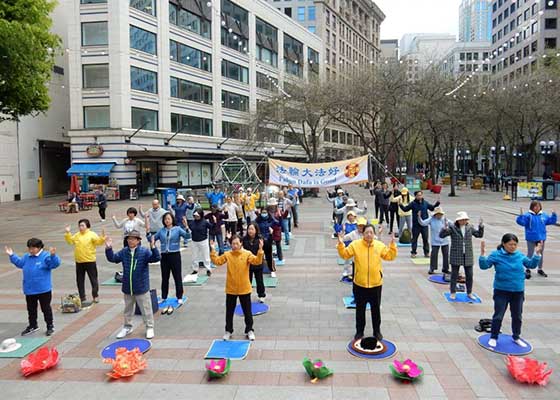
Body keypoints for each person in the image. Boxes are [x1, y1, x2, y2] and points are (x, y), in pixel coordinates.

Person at [479, 234, 542, 349]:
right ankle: (494, 336)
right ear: (503, 244)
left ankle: (516, 337)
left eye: (515, 244)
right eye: (510, 244)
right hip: (501, 291)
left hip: (518, 292)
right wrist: (482, 255)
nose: (513, 247)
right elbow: (484, 266)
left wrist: (537, 254)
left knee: (517, 316)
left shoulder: (519, 256)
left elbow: (531, 265)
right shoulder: (496, 255)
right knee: (498, 315)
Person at [337, 225, 397, 341]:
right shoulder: (355, 245)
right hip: (360, 284)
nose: (369, 234)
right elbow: (345, 254)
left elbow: (389, 256)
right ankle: (359, 332)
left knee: (376, 310)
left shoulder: (379, 246)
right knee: (360, 310)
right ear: (363, 234)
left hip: (376, 284)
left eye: (371, 232)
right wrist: (340, 244)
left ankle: (377, 331)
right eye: (366, 232)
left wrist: (393, 245)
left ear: (374, 234)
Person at [105, 231, 160, 339]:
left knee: (146, 309)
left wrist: (153, 247)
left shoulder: (144, 252)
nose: (130, 241)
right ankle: (127, 327)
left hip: (141, 287)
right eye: (129, 239)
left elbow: (156, 258)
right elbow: (113, 258)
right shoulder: (124, 252)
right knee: (128, 310)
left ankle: (149, 327)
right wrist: (108, 248)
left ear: (138, 240)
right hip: (127, 287)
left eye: (133, 239)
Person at [210, 234, 264, 341]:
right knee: (229, 311)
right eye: (233, 243)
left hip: (244, 288)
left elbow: (257, 261)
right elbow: (217, 261)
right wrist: (212, 250)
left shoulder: (247, 254)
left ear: (241, 244)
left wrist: (260, 250)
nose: (234, 246)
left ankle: (249, 330)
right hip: (231, 289)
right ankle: (228, 330)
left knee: (247, 311)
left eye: (237, 243)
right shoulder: (227, 254)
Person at [6, 238, 61, 336]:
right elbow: (19, 263)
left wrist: (53, 256)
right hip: (29, 289)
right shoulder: (27, 257)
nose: (30, 250)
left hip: (43, 289)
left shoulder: (45, 256)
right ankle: (33, 325)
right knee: (31, 309)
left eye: (32, 248)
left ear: (39, 248)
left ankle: (50, 326)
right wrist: (12, 255)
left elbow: (54, 264)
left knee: (46, 309)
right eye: (29, 248)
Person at [440, 211, 484, 300]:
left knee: (469, 275)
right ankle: (453, 292)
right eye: (462, 220)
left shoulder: (470, 227)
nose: (464, 221)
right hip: (456, 253)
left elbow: (479, 235)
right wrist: (444, 229)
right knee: (454, 275)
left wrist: (481, 226)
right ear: (458, 220)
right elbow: (442, 236)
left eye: (465, 219)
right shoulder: (452, 227)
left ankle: (469, 292)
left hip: (468, 254)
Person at [153, 213, 189, 314]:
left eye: (169, 219)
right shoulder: (161, 231)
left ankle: (179, 297)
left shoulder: (177, 229)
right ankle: (164, 296)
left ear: (172, 219)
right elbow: (152, 238)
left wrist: (186, 226)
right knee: (165, 277)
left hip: (175, 255)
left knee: (177, 277)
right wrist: (148, 232)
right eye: (165, 219)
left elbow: (187, 236)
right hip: (164, 256)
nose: (167, 221)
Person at [64, 219, 106, 304]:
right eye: (79, 225)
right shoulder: (77, 235)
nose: (81, 227)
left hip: (90, 260)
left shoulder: (92, 234)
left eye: (82, 225)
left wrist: (102, 237)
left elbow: (98, 242)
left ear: (87, 226)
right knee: (79, 280)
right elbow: (70, 241)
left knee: (93, 279)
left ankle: (95, 295)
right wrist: (68, 233)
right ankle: (82, 297)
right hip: (79, 261)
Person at [516, 200, 556, 278]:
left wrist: (554, 215)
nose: (537, 208)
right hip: (531, 238)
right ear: (532, 207)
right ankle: (527, 268)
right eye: (535, 206)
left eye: (538, 206)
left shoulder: (543, 215)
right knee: (530, 253)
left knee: (540, 254)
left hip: (541, 238)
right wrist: (520, 216)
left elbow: (551, 221)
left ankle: (540, 268)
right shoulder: (528, 215)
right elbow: (522, 223)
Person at [399, 190, 440, 258]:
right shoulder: (413, 204)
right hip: (416, 225)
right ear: (415, 196)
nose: (420, 196)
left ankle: (426, 252)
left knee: (425, 239)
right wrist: (400, 204)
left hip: (424, 225)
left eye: (421, 195)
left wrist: (437, 203)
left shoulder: (425, 203)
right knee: (414, 239)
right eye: (418, 195)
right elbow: (405, 209)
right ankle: (413, 252)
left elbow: (432, 208)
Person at [418, 208, 450, 275]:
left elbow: (453, 224)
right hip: (435, 240)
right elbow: (423, 223)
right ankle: (432, 268)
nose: (439, 216)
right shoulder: (431, 219)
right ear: (435, 215)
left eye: (440, 215)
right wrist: (419, 217)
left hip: (445, 240)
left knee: (446, 254)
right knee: (434, 254)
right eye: (438, 215)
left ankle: (445, 269)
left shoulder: (444, 219)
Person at [242, 223, 266, 302]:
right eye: (249, 229)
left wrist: (261, 247)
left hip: (258, 264)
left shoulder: (260, 239)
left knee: (259, 281)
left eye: (252, 229)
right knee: (247, 281)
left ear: (256, 230)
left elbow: (263, 250)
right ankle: (246, 295)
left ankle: (261, 295)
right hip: (248, 264)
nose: (250, 231)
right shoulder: (244, 239)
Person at [187, 209, 213, 276]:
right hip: (194, 241)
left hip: (203, 241)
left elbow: (212, 227)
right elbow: (190, 230)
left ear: (201, 216)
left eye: (198, 216)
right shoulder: (192, 223)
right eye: (195, 216)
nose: (196, 217)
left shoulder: (205, 222)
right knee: (194, 256)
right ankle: (195, 269)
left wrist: (214, 222)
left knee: (206, 256)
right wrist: (186, 226)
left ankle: (208, 269)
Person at [256, 207, 277, 278]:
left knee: (269, 256)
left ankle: (272, 270)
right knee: (259, 256)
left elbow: (278, 223)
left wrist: (280, 216)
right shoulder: (258, 220)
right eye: (263, 212)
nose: (264, 214)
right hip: (260, 241)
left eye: (265, 212)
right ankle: (258, 271)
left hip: (268, 240)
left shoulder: (270, 220)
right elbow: (253, 225)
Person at [340, 211, 358, 279]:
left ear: (354, 217)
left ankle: (356, 272)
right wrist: (343, 230)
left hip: (356, 245)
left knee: (356, 260)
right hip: (347, 244)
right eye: (349, 216)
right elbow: (341, 233)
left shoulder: (357, 224)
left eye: (352, 216)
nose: (350, 217)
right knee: (347, 259)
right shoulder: (345, 224)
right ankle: (346, 271)